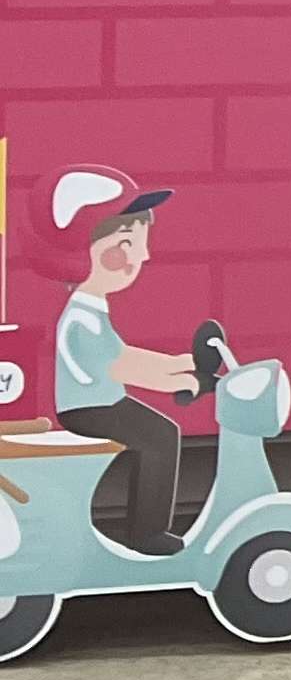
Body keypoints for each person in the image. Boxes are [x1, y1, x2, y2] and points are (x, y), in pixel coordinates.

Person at [49, 174, 198, 555]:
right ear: (83, 253)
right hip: (90, 409)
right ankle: (146, 534)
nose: (142, 256)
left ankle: (145, 531)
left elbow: (124, 355)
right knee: (161, 437)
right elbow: (120, 366)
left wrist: (177, 364)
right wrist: (175, 381)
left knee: (160, 434)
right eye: (127, 244)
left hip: (103, 402)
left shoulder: (92, 311)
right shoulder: (82, 317)